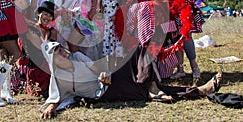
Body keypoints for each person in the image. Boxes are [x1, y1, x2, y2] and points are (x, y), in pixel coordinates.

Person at [40, 41, 223, 119]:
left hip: (110, 80)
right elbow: (55, 98)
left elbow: (97, 68)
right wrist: (50, 107)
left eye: (60, 49)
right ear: (51, 60)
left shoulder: (77, 57)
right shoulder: (58, 77)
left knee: (137, 51)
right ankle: (201, 91)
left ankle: (153, 87)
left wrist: (104, 73)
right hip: (105, 94)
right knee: (141, 90)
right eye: (56, 53)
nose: (62, 53)